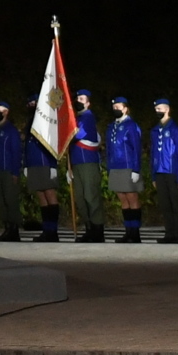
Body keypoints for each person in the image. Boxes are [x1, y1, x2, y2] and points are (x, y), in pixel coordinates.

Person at [145, 99, 178, 244]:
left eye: (160, 108)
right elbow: (153, 154)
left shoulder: (175, 130)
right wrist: (153, 175)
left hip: (172, 171)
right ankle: (169, 233)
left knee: (176, 204)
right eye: (156, 109)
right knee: (165, 205)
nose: (158, 111)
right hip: (160, 172)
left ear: (167, 109)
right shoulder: (155, 130)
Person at [103, 98, 145, 242]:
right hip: (115, 166)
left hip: (128, 166)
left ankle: (135, 233)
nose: (115, 108)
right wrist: (109, 167)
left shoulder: (131, 125)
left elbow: (136, 148)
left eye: (118, 106)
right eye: (113, 106)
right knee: (123, 199)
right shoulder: (111, 126)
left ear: (125, 109)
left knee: (132, 198)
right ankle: (128, 231)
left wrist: (136, 169)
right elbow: (108, 148)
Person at [68, 90, 106, 243]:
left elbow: (78, 135)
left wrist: (65, 132)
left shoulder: (88, 117)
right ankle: (89, 228)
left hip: (88, 162)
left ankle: (98, 230)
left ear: (88, 103)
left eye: (82, 99)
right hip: (77, 162)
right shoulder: (77, 118)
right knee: (80, 198)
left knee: (91, 196)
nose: (78, 100)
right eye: (77, 98)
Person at [0, 102, 24, 242]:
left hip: (8, 170)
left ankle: (14, 229)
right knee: (1, 201)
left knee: (10, 200)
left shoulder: (11, 130)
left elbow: (16, 152)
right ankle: (7, 227)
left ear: (6, 112)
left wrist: (15, 172)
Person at [21, 109, 63, 244]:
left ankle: (53, 231)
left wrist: (53, 165)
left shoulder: (47, 124)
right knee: (41, 197)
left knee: (50, 195)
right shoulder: (29, 126)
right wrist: (26, 164)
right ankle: (47, 230)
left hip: (45, 163)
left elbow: (52, 145)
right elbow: (27, 146)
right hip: (33, 164)